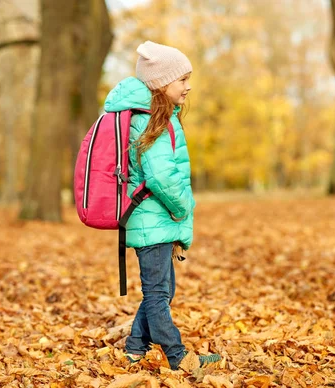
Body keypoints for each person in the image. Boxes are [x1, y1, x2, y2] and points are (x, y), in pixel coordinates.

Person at [103, 41, 221, 370]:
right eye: (182, 79)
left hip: (153, 219)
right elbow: (160, 177)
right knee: (158, 294)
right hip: (152, 218)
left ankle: (135, 347)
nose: (188, 86)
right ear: (162, 83)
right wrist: (183, 207)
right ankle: (178, 356)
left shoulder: (158, 118)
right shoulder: (149, 123)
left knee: (163, 291)